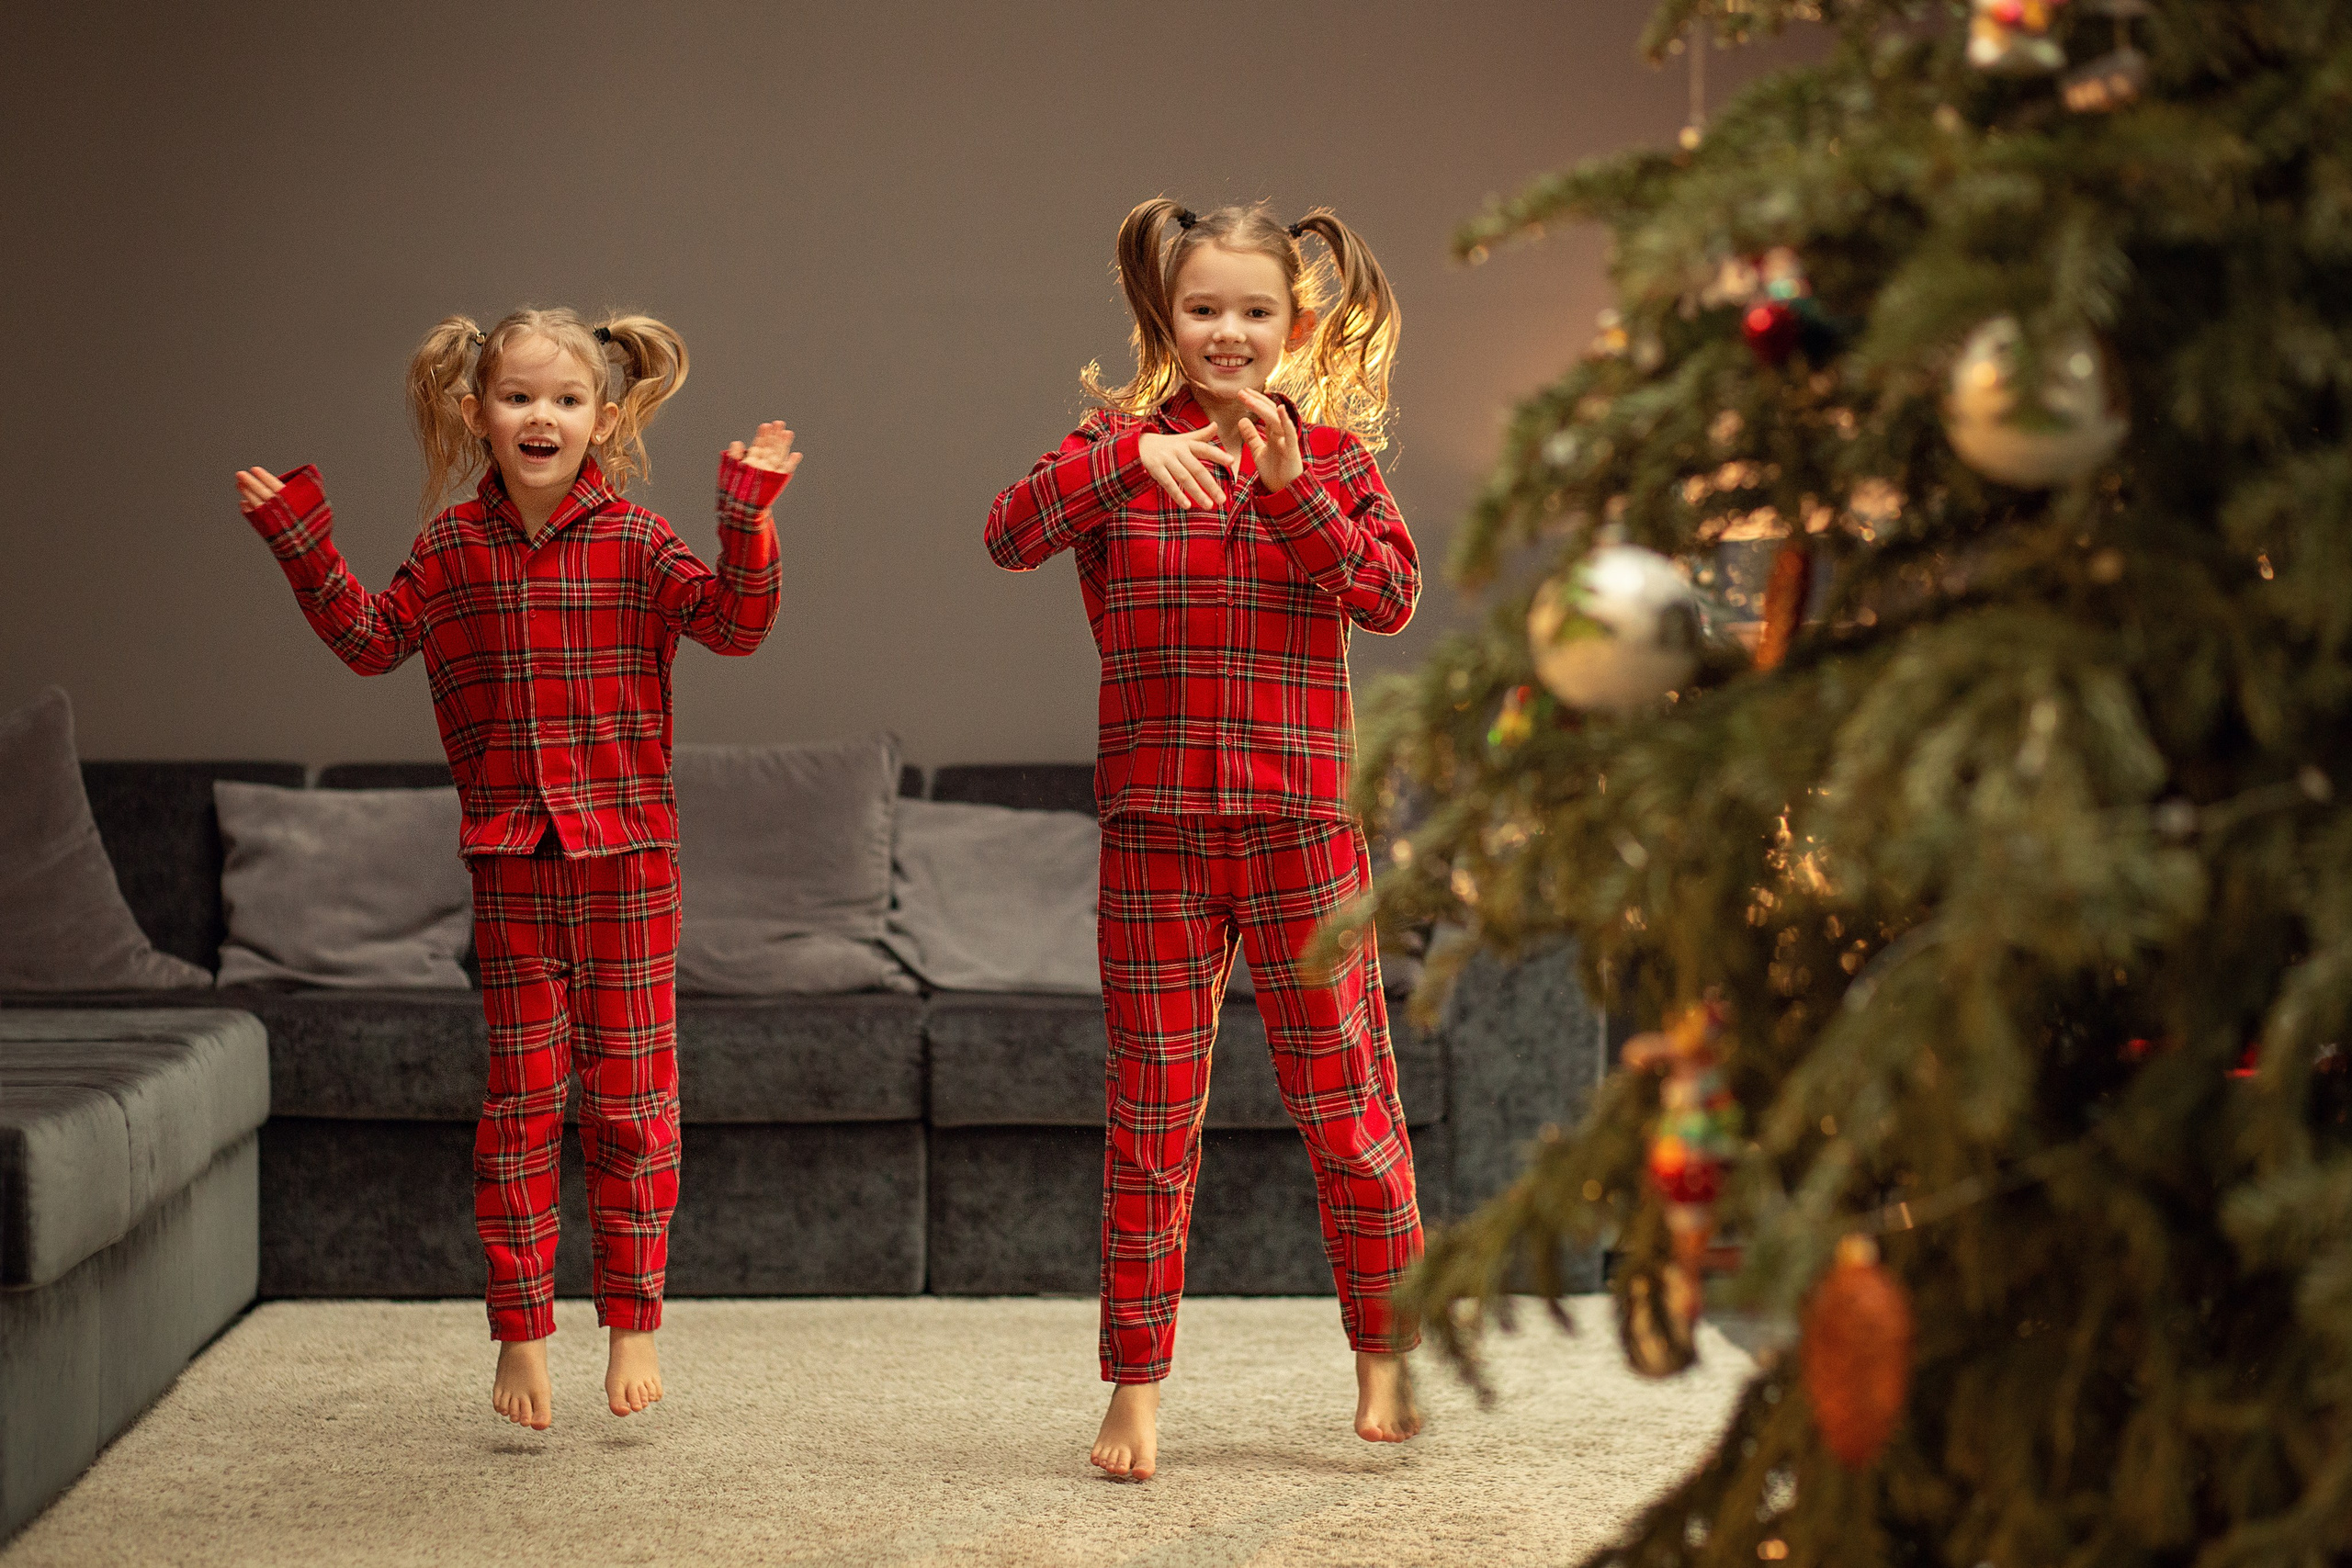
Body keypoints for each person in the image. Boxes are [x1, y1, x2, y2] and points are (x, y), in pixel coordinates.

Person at [233, 306, 800, 1431]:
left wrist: (748, 521)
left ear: (608, 416)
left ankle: (634, 1315)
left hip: (630, 863)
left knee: (634, 1102)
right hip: (513, 865)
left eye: (566, 399)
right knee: (524, 1103)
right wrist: (300, 541)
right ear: (474, 413)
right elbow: (366, 639)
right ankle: (522, 1328)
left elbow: (736, 624)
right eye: (517, 397)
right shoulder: (449, 553)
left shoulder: (638, 542)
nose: (541, 416)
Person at [985, 199, 1423, 1481]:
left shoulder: (1336, 459)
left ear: (1300, 323)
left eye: (1255, 311)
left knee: (1348, 1108)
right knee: (1152, 1119)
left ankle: (1385, 1349)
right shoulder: (1112, 449)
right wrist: (1122, 465)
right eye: (1202, 309)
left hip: (1302, 830)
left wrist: (1289, 496)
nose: (1227, 332)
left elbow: (1388, 596)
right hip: (1156, 832)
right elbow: (1008, 533)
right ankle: (1135, 1383)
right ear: (1162, 317)